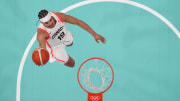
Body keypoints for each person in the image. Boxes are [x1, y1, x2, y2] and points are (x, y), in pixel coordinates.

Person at [36, 9, 106, 67]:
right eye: (46, 23)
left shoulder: (59, 16)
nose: (50, 24)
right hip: (55, 48)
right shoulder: (41, 33)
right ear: (42, 23)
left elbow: (77, 22)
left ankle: (66, 45)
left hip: (65, 36)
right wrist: (41, 56)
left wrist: (94, 34)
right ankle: (63, 55)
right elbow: (43, 48)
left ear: (51, 17)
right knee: (72, 64)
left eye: (50, 20)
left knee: (70, 43)